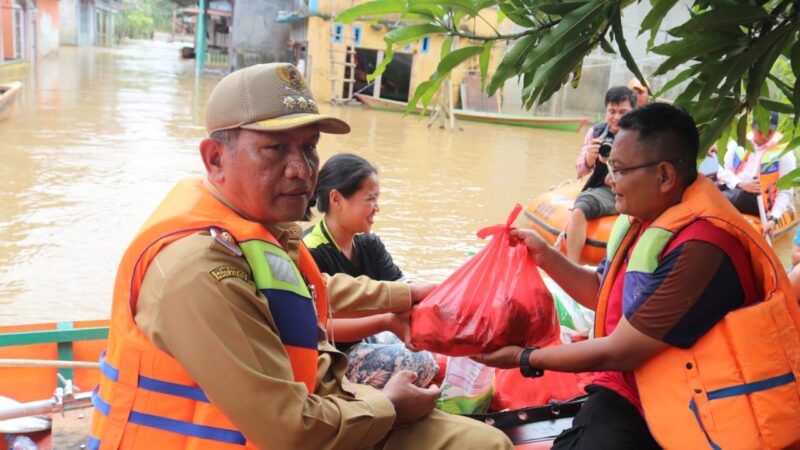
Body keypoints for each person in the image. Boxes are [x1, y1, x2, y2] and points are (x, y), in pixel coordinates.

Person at [89, 62, 512, 450]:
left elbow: (306, 290)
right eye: (275, 149)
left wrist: (408, 295)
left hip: (315, 409)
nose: (302, 169)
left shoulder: (250, 229)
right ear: (215, 158)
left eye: (309, 147)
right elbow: (288, 429)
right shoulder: (197, 270)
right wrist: (390, 406)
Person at [475, 103, 800, 450]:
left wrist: (522, 358)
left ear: (664, 176)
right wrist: (544, 256)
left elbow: (620, 351)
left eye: (619, 170)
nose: (610, 180)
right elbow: (603, 293)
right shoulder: (645, 222)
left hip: (695, 416)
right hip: (642, 393)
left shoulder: (704, 247)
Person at [303, 153, 438, 389]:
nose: (377, 208)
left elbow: (403, 287)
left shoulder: (368, 243)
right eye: (370, 199)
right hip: (330, 357)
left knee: (424, 339)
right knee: (422, 362)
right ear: (337, 200)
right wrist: (386, 322)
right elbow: (319, 329)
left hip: (364, 341)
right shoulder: (310, 252)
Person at [569, 86, 637, 262]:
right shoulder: (597, 133)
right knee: (579, 209)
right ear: (605, 111)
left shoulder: (642, 133)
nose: (616, 117)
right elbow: (580, 170)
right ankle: (572, 265)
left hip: (634, 189)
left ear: (634, 112)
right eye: (611, 111)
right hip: (606, 190)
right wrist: (590, 160)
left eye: (623, 112)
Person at [717, 111, 796, 236]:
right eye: (760, 131)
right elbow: (722, 171)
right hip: (735, 188)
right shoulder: (739, 142)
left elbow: (785, 191)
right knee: (712, 189)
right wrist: (741, 184)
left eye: (769, 132)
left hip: (761, 201)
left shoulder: (785, 153)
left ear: (775, 130)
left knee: (729, 197)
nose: (764, 136)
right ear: (752, 127)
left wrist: (774, 218)